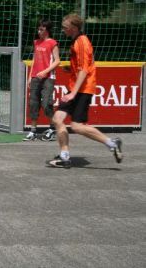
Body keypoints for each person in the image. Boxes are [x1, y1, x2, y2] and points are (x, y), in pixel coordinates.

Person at [47, 13, 123, 168]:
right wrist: (71, 69)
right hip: (76, 88)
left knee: (76, 126)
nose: (63, 30)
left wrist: (73, 93)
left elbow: (84, 70)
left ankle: (112, 144)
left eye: (65, 27)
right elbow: (81, 66)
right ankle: (64, 156)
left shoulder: (81, 42)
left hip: (82, 89)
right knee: (57, 119)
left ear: (74, 27)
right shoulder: (77, 41)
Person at [24, 19, 60, 141]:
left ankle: (52, 129)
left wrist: (45, 71)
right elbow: (35, 60)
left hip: (48, 78)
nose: (39, 31)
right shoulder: (36, 42)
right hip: (35, 77)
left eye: (42, 29)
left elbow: (57, 61)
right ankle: (33, 131)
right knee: (33, 103)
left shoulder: (52, 43)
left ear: (47, 30)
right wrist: (30, 76)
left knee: (46, 103)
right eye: (38, 29)